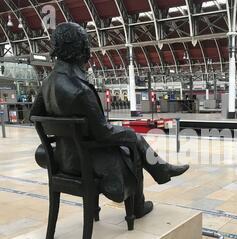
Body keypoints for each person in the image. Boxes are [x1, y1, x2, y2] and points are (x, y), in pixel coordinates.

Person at [30, 22, 189, 218]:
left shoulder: (47, 83)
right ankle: (139, 204)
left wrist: (62, 123)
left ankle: (160, 169)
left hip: (62, 159)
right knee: (133, 143)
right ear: (80, 49)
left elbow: (34, 116)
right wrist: (129, 134)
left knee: (132, 139)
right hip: (85, 162)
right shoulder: (79, 89)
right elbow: (103, 133)